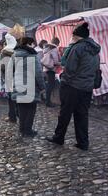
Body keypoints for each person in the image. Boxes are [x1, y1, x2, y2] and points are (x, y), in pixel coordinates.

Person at [46, 22, 101, 151]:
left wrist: (64, 79)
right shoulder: (95, 49)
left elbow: (70, 69)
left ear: (77, 36)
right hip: (87, 87)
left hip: (73, 86)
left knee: (65, 113)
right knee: (82, 114)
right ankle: (83, 142)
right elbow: (96, 68)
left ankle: (59, 137)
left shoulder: (77, 48)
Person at [10, 37, 46, 138]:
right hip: (31, 86)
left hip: (18, 85)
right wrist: (42, 86)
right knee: (31, 109)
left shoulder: (14, 55)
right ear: (29, 44)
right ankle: (28, 130)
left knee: (22, 109)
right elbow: (38, 73)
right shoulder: (32, 55)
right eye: (32, 44)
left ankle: (22, 129)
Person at [1, 34, 18, 123]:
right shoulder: (17, 50)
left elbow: (2, 66)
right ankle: (16, 114)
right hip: (18, 76)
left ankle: (12, 116)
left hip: (8, 77)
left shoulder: (4, 52)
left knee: (11, 98)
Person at [41, 37, 61, 108]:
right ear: (57, 43)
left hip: (46, 68)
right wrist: (61, 63)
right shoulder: (54, 49)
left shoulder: (47, 48)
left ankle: (47, 100)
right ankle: (48, 101)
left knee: (49, 85)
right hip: (51, 69)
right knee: (50, 85)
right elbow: (55, 61)